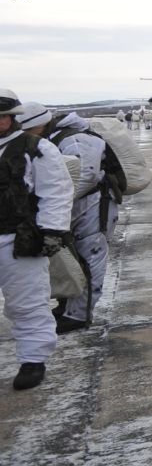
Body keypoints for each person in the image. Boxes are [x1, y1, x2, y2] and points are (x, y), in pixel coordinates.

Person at [0, 94, 69, 391]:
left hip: (18, 238)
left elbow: (55, 190)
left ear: (12, 118)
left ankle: (33, 360)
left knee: (27, 303)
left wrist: (52, 231)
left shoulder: (36, 148)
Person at [45, 110, 113, 331]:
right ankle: (67, 305)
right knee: (70, 259)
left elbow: (86, 176)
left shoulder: (77, 140)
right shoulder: (58, 137)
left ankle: (79, 315)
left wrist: (56, 201)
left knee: (89, 259)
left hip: (92, 208)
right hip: (77, 208)